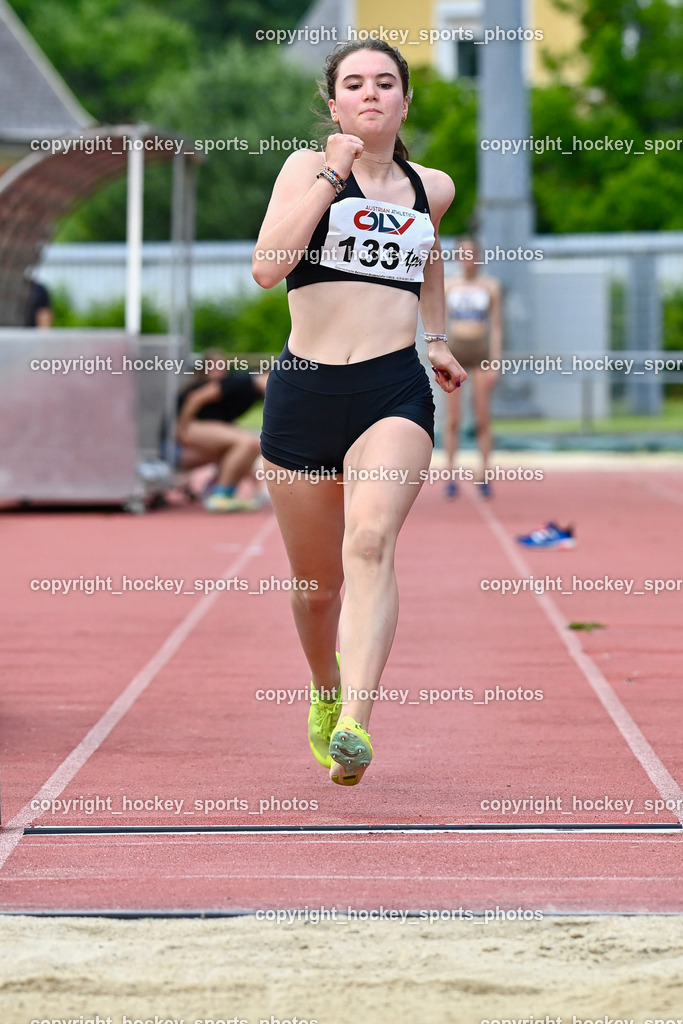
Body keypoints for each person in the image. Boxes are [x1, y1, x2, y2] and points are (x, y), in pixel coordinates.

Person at [252, 39, 465, 786]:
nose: (371, 93)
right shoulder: (304, 171)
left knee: (370, 542)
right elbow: (266, 267)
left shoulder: (429, 185)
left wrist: (433, 337)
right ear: (334, 103)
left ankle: (356, 722)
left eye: (385, 82)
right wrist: (329, 175)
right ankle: (323, 689)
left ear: (404, 101)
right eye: (354, 84)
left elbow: (429, 254)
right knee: (315, 590)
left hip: (390, 392)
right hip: (305, 392)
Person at [442, 237, 502, 498]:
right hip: (455, 353)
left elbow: (497, 326)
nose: (467, 259)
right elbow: (440, 321)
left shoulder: (490, 286)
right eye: (462, 254)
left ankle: (485, 473)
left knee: (482, 418)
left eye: (471, 254)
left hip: (480, 356)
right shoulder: (449, 285)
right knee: (453, 419)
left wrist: (495, 361)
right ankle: (451, 474)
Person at [174, 354, 268, 512]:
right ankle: (221, 495)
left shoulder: (251, 392)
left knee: (245, 445)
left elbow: (227, 424)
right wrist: (181, 430)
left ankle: (217, 487)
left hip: (196, 431)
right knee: (247, 442)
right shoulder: (243, 381)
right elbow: (195, 398)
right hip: (188, 427)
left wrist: (256, 484)